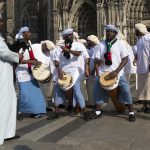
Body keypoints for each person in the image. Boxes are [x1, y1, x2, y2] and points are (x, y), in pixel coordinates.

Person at [91, 24, 136, 122]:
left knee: (126, 90)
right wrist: (98, 63)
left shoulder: (120, 44)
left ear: (115, 33)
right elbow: (96, 58)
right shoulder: (101, 45)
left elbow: (125, 58)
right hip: (103, 73)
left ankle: (131, 112)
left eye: (111, 31)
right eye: (107, 31)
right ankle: (98, 111)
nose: (108, 33)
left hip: (117, 73)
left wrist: (116, 71)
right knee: (96, 91)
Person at [49, 28, 90, 120]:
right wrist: (59, 71)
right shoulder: (59, 48)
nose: (71, 36)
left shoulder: (77, 45)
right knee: (57, 90)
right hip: (63, 72)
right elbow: (56, 61)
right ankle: (56, 111)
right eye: (69, 35)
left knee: (77, 91)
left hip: (75, 72)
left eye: (72, 34)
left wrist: (68, 50)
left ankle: (85, 111)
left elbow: (78, 54)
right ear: (64, 37)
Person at [0, 14, 22, 145]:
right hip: (2, 75)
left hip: (5, 74)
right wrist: (17, 56)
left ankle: (8, 132)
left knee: (10, 102)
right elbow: (4, 53)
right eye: (0, 21)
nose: (2, 23)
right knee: (3, 103)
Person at [15, 27, 46, 120]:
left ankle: (35, 112)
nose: (30, 34)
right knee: (24, 94)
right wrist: (31, 62)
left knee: (36, 94)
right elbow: (17, 60)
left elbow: (30, 57)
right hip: (22, 73)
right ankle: (20, 112)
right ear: (23, 34)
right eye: (28, 32)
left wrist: (35, 61)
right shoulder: (20, 45)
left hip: (30, 73)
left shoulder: (28, 45)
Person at [31, 40, 56, 111]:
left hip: (42, 74)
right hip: (31, 72)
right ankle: (35, 108)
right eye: (46, 49)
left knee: (43, 90)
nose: (47, 51)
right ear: (44, 45)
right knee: (34, 91)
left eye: (48, 50)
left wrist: (50, 74)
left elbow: (49, 63)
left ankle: (45, 106)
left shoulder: (48, 52)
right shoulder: (34, 47)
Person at [134, 23, 150, 113]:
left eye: (135, 30)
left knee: (148, 88)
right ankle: (145, 106)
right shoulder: (139, 40)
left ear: (139, 30)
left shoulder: (149, 37)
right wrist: (136, 57)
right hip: (141, 67)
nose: (134, 32)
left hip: (148, 67)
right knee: (142, 88)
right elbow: (139, 51)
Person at [86, 35, 100, 106]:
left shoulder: (98, 47)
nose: (87, 42)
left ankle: (97, 103)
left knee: (96, 87)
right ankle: (91, 103)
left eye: (88, 41)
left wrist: (93, 70)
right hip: (90, 70)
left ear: (91, 41)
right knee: (90, 87)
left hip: (96, 71)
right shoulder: (91, 48)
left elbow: (97, 60)